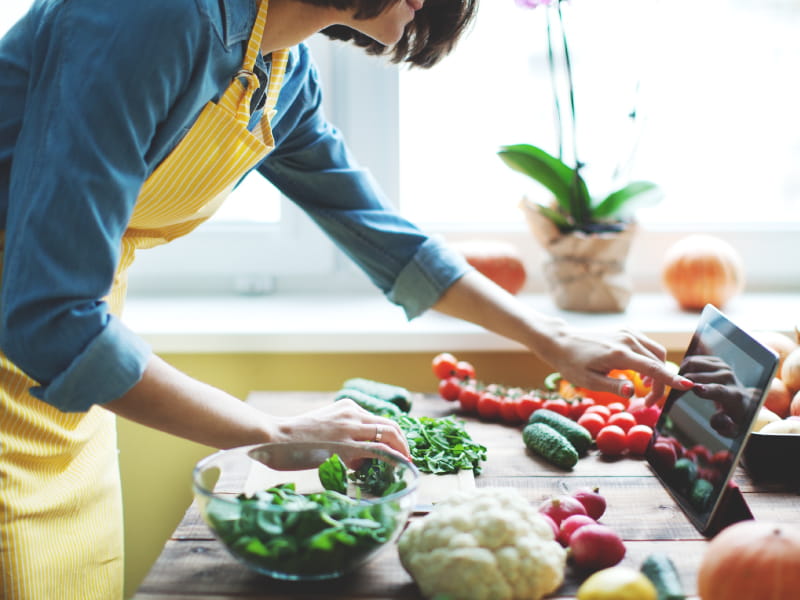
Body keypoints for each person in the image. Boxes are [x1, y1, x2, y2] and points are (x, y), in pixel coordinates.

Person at [0, 0, 692, 598]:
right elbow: (52, 315)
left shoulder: (278, 70)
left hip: (68, 387)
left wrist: (550, 336)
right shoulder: (151, 16)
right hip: (43, 338)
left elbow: (385, 239)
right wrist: (274, 434)